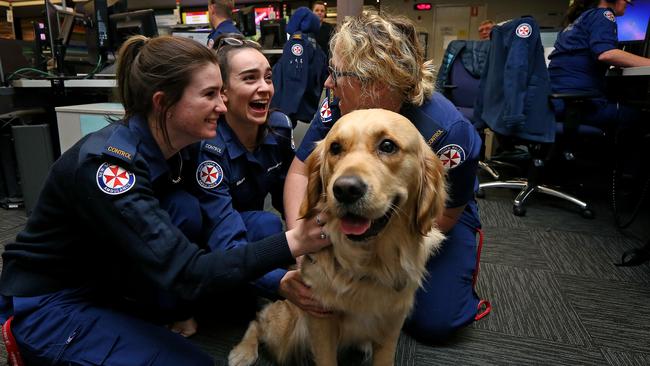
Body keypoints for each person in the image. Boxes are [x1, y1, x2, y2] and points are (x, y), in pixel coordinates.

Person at [0, 35, 329, 365]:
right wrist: (294, 242)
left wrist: (281, 276)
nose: (222, 105)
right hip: (53, 302)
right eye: (210, 95)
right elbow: (186, 272)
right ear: (163, 103)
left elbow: (223, 229)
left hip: (111, 279)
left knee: (187, 210)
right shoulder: (108, 169)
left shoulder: (188, 147)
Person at [283, 12, 490, 341]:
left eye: (336, 73)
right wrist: (300, 243)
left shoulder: (449, 132)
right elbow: (299, 171)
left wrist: (383, 255)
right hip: (354, 200)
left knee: (437, 323)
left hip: (427, 211)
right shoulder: (340, 103)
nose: (327, 83)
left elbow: (448, 211)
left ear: (374, 82)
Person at [188, 34, 295, 298]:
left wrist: (304, 248)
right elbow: (222, 234)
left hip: (248, 230)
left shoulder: (279, 126)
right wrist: (281, 283)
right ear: (222, 93)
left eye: (268, 78)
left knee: (269, 227)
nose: (265, 88)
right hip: (209, 240)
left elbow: (289, 196)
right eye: (250, 78)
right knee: (266, 225)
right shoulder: (209, 147)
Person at [548, 0, 650, 127]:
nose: (627, 4)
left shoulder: (576, 21)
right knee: (641, 116)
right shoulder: (604, 14)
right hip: (579, 106)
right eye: (626, 0)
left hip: (558, 103)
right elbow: (606, 53)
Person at [270, 7, 328, 125]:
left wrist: (286, 112)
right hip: (302, 105)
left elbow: (294, 78)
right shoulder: (314, 44)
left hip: (287, 108)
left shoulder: (297, 42)